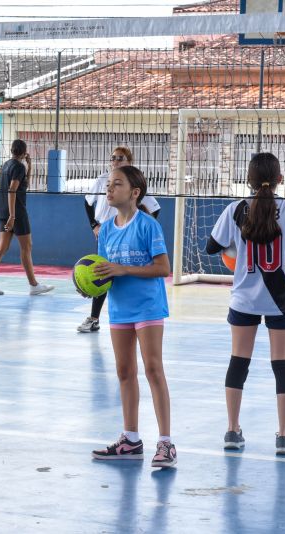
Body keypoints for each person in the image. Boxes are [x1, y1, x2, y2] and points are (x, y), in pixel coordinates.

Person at [206, 152, 285, 455]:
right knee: (283, 365)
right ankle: (283, 436)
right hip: (281, 299)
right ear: (280, 179)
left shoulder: (236, 209)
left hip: (244, 298)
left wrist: (237, 251)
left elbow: (212, 247)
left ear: (248, 180)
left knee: (239, 362)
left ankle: (233, 431)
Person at [89, 165, 176, 468]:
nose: (109, 190)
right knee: (124, 372)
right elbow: (105, 271)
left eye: (117, 184)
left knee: (153, 369)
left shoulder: (148, 226)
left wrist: (124, 269)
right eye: (108, 185)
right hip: (120, 308)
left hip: (148, 307)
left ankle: (165, 443)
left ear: (135, 193)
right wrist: (90, 282)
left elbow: (164, 268)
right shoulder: (106, 229)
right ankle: (131, 439)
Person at [79, 147, 161, 333]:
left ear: (129, 162)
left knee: (124, 274)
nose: (115, 161)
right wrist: (94, 226)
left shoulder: (133, 185)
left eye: (120, 158)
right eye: (113, 158)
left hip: (126, 236)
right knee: (104, 271)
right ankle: (94, 318)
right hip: (106, 233)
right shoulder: (102, 180)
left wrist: (138, 229)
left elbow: (154, 208)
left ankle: (142, 316)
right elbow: (87, 201)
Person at [0, 139, 54, 296]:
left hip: (3, 211)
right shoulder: (18, 167)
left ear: (12, 151)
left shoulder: (7, 165)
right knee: (26, 247)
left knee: (2, 247)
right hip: (16, 213)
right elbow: (12, 190)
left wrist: (30, 167)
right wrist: (13, 216)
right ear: (24, 151)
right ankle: (34, 285)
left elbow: (23, 185)